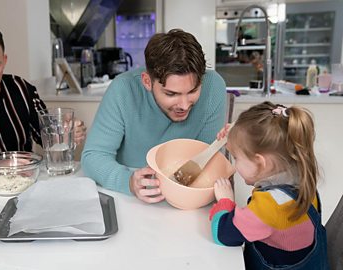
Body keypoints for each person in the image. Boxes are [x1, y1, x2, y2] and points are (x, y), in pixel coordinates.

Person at [81, 29, 227, 203]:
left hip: (191, 200)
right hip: (130, 201)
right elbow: (93, 156)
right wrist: (128, 182)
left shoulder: (213, 87)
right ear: (147, 81)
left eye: (193, 91)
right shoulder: (123, 90)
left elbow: (207, 160)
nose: (184, 105)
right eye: (171, 94)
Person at [209, 102, 329, 269]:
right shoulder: (300, 171)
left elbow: (223, 234)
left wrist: (225, 201)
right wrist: (237, 136)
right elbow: (274, 127)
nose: (234, 165)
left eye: (236, 157)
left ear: (260, 162)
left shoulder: (267, 208)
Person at [0, 19, 86, 155]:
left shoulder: (20, 88)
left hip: (25, 175)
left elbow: (47, 136)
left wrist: (67, 133)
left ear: (4, 61)